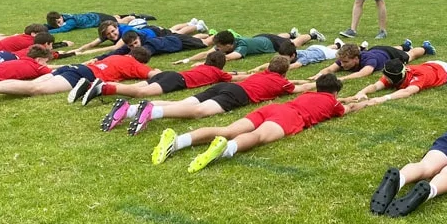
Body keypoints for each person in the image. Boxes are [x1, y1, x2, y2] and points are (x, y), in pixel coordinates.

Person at [151, 73, 368, 171]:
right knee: (258, 137)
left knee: (227, 129)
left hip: (274, 108)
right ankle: (226, 150)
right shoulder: (333, 104)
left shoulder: (310, 95)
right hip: (291, 118)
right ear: (335, 92)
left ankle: (178, 142)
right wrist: (363, 101)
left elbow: (328, 99)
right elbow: (347, 108)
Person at [102, 54, 297, 135]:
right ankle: (152, 112)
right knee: (199, 112)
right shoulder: (283, 83)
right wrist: (310, 82)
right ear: (284, 73)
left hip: (221, 87)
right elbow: (299, 89)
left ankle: (130, 109)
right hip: (237, 93)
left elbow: (246, 75)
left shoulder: (261, 74)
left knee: (184, 103)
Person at [0, 47, 158, 107]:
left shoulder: (117, 56)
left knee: (33, 85)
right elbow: (153, 75)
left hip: (75, 67)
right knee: (36, 90)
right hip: (84, 74)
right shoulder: (135, 64)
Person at [77, 50, 232, 105]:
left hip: (169, 74)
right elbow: (233, 78)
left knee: (136, 87)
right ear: (221, 65)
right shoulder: (219, 73)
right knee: (140, 93)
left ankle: (93, 85)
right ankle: (103, 88)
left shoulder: (201, 66)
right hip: (176, 81)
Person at [346, 49, 447, 104]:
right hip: (433, 64)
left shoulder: (419, 77)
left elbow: (407, 92)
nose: (386, 81)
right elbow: (376, 86)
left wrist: (382, 98)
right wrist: (362, 92)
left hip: (441, 71)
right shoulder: (395, 72)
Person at [309, 40, 436, 82]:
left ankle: (425, 47)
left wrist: (340, 79)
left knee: (410, 55)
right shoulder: (344, 59)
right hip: (376, 49)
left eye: (345, 62)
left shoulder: (370, 61)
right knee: (394, 48)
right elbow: (330, 68)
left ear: (356, 58)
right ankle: (405, 44)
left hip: (388, 54)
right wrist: (320, 74)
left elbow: (363, 73)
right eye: (341, 62)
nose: (342, 64)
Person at [182, 28, 322, 63]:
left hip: (271, 43)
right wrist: (187, 60)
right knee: (279, 36)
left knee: (294, 44)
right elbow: (207, 53)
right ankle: (290, 33)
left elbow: (231, 58)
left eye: (219, 46)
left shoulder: (241, 47)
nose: (217, 48)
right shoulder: (224, 45)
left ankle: (312, 34)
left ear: (229, 45)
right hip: (261, 38)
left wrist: (204, 64)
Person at [45, 11, 157, 34]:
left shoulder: (70, 21)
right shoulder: (64, 17)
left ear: (60, 16)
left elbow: (63, 29)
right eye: (56, 24)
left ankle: (135, 17)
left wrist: (47, 32)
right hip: (95, 16)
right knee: (115, 17)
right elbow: (55, 25)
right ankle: (125, 14)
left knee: (121, 21)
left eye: (59, 21)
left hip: (99, 19)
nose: (59, 24)